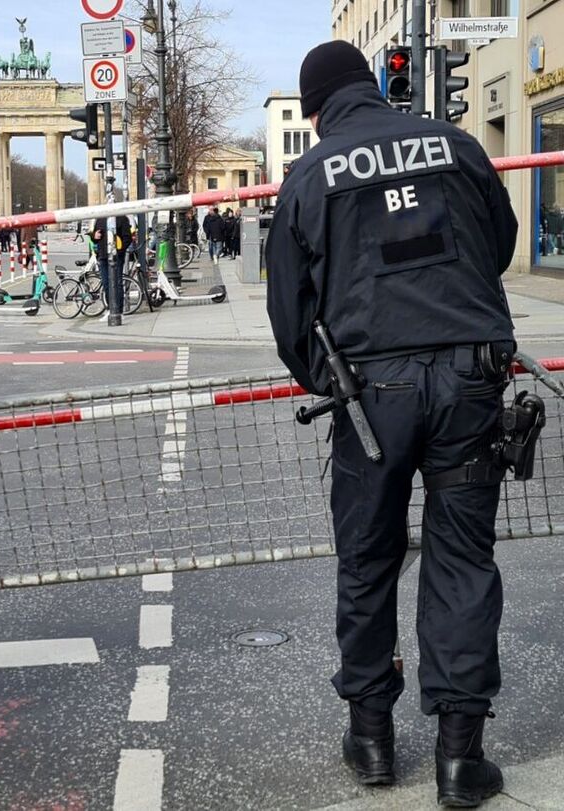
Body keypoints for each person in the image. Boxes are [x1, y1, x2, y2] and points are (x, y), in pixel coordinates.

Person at [265, 41, 518, 807]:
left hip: (372, 393)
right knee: (462, 558)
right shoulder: (456, 144)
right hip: (469, 377)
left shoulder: (312, 175)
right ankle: (460, 759)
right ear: (374, 88)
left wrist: (329, 379)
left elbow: (289, 314)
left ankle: (372, 738)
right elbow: (499, 241)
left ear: (315, 111)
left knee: (369, 558)